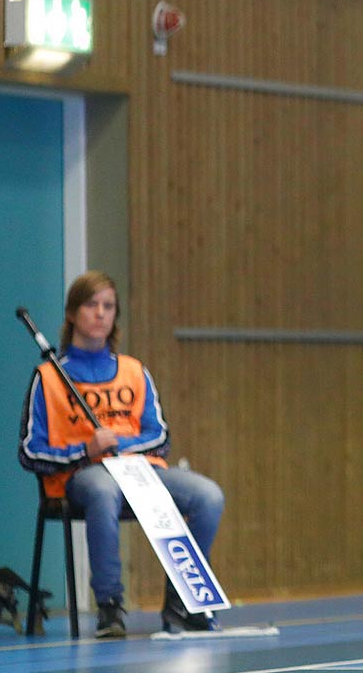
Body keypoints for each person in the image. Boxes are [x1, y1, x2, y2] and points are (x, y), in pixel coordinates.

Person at [18, 271, 228, 638]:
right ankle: (110, 607)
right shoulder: (48, 377)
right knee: (104, 490)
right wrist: (87, 449)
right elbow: (30, 452)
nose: (100, 313)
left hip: (140, 471)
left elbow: (159, 438)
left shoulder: (134, 371)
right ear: (71, 314)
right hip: (82, 477)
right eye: (90, 305)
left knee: (208, 495)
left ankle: (182, 604)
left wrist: (120, 445)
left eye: (108, 306)